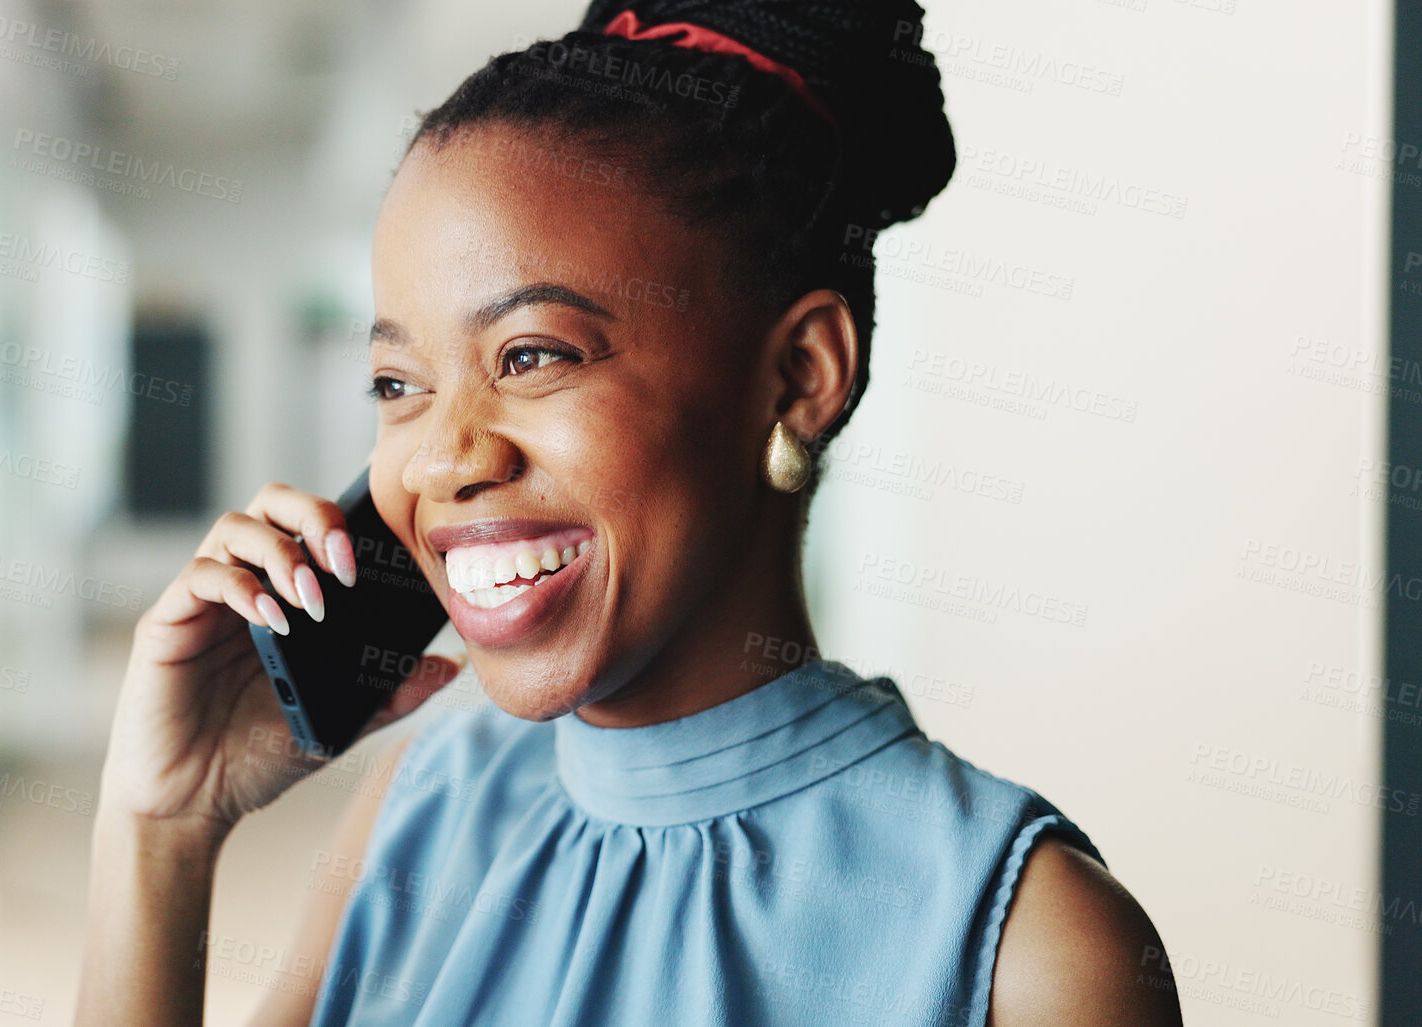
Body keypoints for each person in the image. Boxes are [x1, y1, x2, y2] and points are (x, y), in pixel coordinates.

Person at [76, 1, 1182, 1023]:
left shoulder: (1031, 948)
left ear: (801, 371)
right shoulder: (423, 805)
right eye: (399, 385)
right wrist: (160, 829)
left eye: (533, 355)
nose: (445, 460)